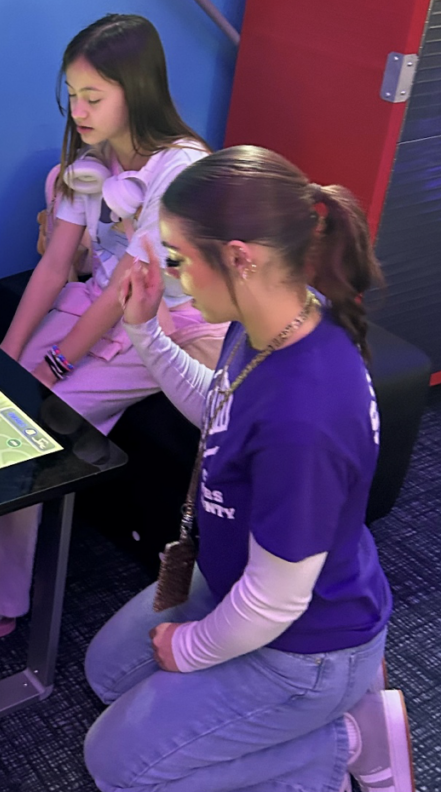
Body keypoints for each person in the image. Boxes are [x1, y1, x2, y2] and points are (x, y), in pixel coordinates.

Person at [0, 14, 228, 637]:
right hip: (96, 302)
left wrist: (54, 364)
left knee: (32, 426)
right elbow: (57, 264)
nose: (78, 111)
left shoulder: (181, 168)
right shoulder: (89, 163)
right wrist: (3, 357)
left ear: (136, 91)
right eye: (72, 95)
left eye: (94, 97)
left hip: (158, 323)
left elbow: (125, 291)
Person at [82, 145, 413, 792]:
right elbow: (220, 409)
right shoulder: (268, 318)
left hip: (305, 646)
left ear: (239, 258)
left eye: (179, 259)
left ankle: (345, 737)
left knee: (116, 765)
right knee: (106, 675)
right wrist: (147, 332)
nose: (174, 277)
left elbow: (275, 599)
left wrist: (192, 647)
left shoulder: (307, 416)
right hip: (232, 578)